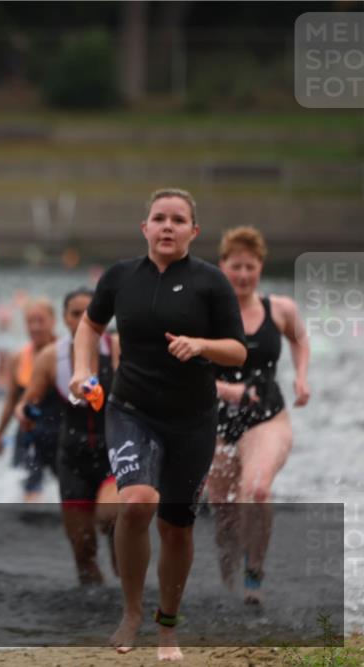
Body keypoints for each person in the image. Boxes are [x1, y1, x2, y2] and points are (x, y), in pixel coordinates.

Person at [70, 188, 246, 661]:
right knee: (138, 501)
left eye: (178, 220)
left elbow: (238, 350)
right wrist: (81, 371)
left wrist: (201, 345)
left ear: (194, 231)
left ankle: (167, 625)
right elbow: (89, 327)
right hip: (131, 411)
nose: (168, 226)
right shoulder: (120, 277)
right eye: (159, 218)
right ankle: (131, 611)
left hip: (192, 419)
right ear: (144, 228)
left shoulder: (211, 283)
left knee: (177, 526)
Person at [205, 226, 311, 604]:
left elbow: (299, 339)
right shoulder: (206, 312)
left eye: (251, 267)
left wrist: (301, 377)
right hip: (214, 421)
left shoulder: (280, 309)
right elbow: (187, 367)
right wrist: (227, 390)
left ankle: (254, 579)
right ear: (222, 267)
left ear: (260, 268)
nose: (244, 275)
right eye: (236, 267)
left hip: (266, 415)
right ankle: (226, 580)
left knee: (258, 490)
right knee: (226, 513)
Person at [14, 288, 120, 585]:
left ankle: (124, 576)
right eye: (76, 313)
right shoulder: (51, 357)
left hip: (114, 453)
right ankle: (88, 613)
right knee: (82, 549)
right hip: (72, 457)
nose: (84, 319)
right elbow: (28, 401)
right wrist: (23, 414)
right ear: (64, 318)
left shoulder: (117, 350)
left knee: (109, 517)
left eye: (91, 312)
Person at [0, 298, 61, 501]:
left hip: (60, 433)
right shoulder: (18, 358)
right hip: (28, 434)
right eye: (30, 321)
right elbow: (11, 400)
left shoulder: (66, 353)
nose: (35, 327)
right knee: (28, 494)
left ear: (53, 321)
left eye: (41, 320)